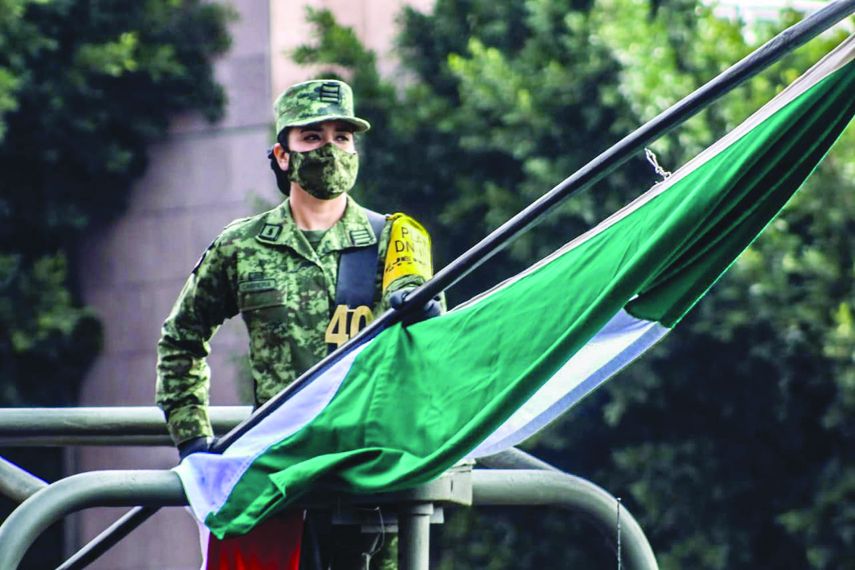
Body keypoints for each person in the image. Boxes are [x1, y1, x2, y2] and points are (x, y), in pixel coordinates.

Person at [156, 79, 440, 569]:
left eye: (342, 137)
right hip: (277, 479)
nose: (330, 150)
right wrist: (195, 442)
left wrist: (411, 299)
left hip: (368, 477)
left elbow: (415, 289)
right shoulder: (241, 246)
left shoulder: (393, 235)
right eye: (312, 138)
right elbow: (181, 339)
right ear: (282, 155)